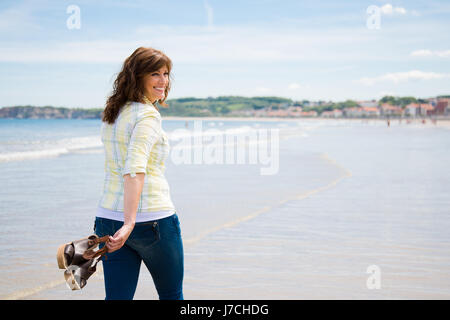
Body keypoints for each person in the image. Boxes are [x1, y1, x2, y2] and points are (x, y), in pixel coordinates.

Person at [94, 47, 184, 300]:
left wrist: (123, 223)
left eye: (166, 74)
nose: (163, 81)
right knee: (171, 295)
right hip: (151, 220)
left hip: (107, 218)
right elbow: (134, 168)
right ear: (137, 76)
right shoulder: (147, 116)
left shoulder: (114, 111)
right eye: (155, 74)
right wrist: (130, 223)